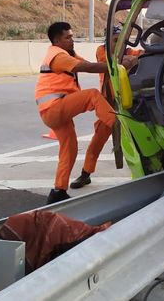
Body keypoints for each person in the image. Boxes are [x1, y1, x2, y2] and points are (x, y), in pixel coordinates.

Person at [35, 22, 138, 205]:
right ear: (57, 40)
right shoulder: (58, 56)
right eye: (68, 37)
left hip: (57, 111)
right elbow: (89, 67)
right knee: (92, 95)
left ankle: (58, 191)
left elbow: (88, 64)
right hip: (55, 108)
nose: (72, 40)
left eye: (72, 36)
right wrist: (120, 64)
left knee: (70, 149)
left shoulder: (67, 53)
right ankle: (116, 124)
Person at [95, 25, 143, 94]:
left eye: (122, 40)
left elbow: (140, 53)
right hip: (109, 93)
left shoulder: (127, 51)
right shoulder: (102, 50)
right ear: (107, 41)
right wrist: (129, 59)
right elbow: (109, 59)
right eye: (116, 40)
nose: (119, 43)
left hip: (124, 92)